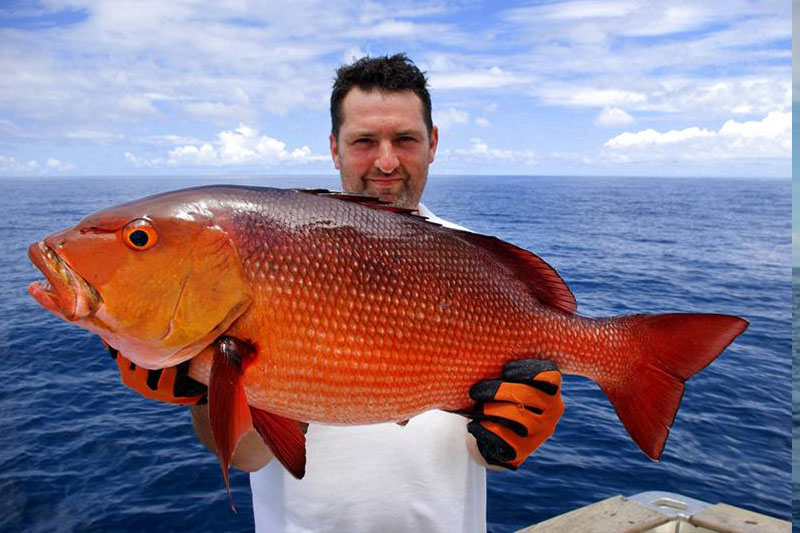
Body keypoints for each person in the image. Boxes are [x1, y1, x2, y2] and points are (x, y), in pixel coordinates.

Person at [111, 54, 564, 532]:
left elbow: (483, 457)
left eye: (405, 140)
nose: (386, 161)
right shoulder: (277, 248)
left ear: (432, 144)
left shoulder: (478, 264)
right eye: (365, 141)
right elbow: (247, 455)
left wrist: (517, 434)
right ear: (335, 148)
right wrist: (204, 395)